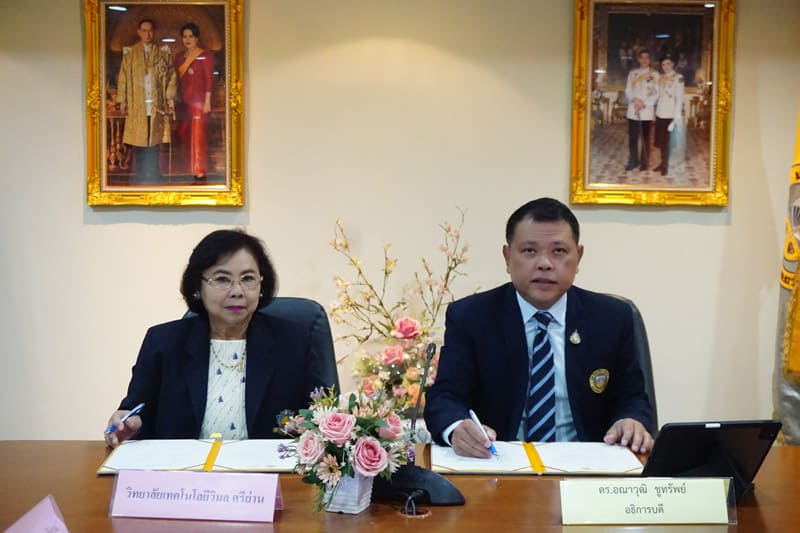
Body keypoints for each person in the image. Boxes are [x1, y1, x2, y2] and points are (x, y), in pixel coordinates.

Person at [424, 198, 654, 458]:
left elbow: (632, 397)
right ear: (507, 257)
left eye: (559, 251)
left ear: (578, 257)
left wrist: (630, 420)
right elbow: (445, 397)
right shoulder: (471, 317)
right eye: (529, 251)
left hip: (588, 465)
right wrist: (457, 427)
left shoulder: (611, 317)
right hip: (499, 464)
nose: (545, 263)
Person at [104, 229, 329, 447]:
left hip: (268, 470)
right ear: (197, 287)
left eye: (248, 278)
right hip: (184, 470)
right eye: (222, 279)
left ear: (261, 284)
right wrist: (126, 426)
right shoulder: (163, 342)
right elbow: (135, 415)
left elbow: (321, 417)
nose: (237, 291)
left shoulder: (294, 341)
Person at [116, 19, 177, 183]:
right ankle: (140, 175)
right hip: (137, 104)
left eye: (150, 30)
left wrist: (169, 96)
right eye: (144, 30)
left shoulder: (162, 53)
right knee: (139, 140)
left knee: (154, 141)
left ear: (154, 32)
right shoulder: (131, 53)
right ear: (138, 32)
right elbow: (123, 77)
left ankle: (154, 175)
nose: (147, 34)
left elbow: (171, 75)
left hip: (156, 104)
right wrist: (123, 100)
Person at [174, 23, 215, 180]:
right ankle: (188, 166)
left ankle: (199, 169)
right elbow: (176, 80)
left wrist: (207, 101)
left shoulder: (205, 55)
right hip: (183, 103)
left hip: (199, 103)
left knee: (198, 136)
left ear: (197, 38)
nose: (188, 39)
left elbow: (209, 78)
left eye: (191, 36)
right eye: (185, 36)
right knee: (182, 134)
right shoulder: (179, 57)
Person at [624, 49, 659, 172]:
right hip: (633, 110)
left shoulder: (655, 75)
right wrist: (635, 100)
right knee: (632, 138)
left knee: (646, 138)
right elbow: (628, 90)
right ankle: (633, 161)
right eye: (642, 57)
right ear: (639, 59)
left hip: (646, 111)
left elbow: (656, 93)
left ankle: (644, 162)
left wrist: (643, 103)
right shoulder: (632, 73)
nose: (644, 60)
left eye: (646, 57)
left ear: (649, 60)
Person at [653, 56, 685, 175]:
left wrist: (676, 118)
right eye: (663, 64)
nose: (665, 67)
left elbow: (679, 98)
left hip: (670, 114)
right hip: (660, 113)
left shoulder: (678, 78)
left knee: (667, 142)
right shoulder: (660, 78)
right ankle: (662, 162)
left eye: (668, 64)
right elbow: (657, 95)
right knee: (661, 141)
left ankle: (665, 165)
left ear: (672, 64)